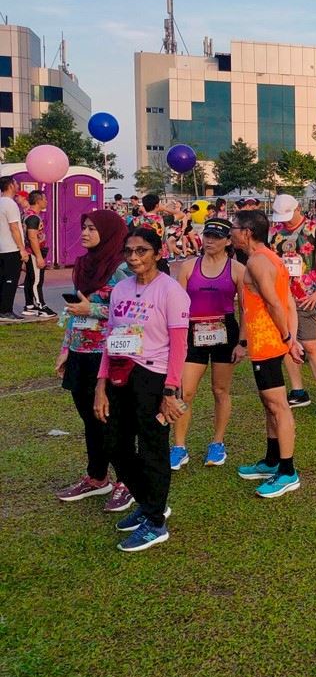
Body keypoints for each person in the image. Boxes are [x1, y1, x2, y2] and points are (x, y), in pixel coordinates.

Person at [93, 226, 190, 551]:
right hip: (121, 375)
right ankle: (151, 504)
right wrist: (100, 386)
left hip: (154, 378)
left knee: (152, 449)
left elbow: (179, 346)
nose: (134, 258)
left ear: (158, 253)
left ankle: (155, 522)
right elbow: (110, 340)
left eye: (142, 251)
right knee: (115, 445)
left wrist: (170, 390)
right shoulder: (120, 289)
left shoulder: (170, 291)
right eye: (129, 251)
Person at [54, 210, 134, 512]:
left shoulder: (121, 269)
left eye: (91, 228)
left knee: (113, 421)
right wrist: (66, 349)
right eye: (83, 227)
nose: (84, 233)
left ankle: (127, 482)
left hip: (108, 355)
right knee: (89, 419)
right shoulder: (85, 266)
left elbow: (129, 312)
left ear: (109, 232)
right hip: (80, 352)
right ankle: (97, 478)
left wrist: (92, 311)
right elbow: (75, 310)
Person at [230, 210, 305, 497]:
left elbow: (277, 304)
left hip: (269, 343)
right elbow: (288, 300)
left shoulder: (259, 261)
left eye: (235, 227)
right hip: (266, 344)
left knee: (278, 406)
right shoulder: (269, 258)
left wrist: (288, 339)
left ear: (247, 232)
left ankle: (287, 471)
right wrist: (291, 338)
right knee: (269, 404)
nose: (231, 232)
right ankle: (272, 461)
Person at [170, 219, 246, 470]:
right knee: (185, 392)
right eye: (207, 235)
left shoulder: (237, 269)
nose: (210, 240)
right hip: (194, 331)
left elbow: (246, 310)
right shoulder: (188, 266)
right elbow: (177, 305)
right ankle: (179, 447)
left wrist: (242, 342)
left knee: (220, 390)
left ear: (227, 241)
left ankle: (217, 442)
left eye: (215, 236)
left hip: (225, 332)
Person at [270, 194, 316, 417]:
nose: (286, 221)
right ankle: (298, 390)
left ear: (298, 208)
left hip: (306, 297)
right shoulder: (276, 234)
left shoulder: (314, 229)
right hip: (282, 297)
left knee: (311, 345)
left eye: (288, 216)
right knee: (286, 344)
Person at [0, 175, 28, 321]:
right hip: (11, 248)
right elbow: (14, 228)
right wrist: (22, 249)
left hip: (2, 248)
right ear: (11, 185)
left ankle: (2, 309)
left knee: (2, 280)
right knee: (11, 280)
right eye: (16, 183)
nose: (18, 186)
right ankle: (6, 310)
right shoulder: (10, 204)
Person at [21, 189, 52, 317]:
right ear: (38, 201)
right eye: (44, 199)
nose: (46, 201)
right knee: (36, 281)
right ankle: (41, 306)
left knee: (29, 279)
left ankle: (29, 305)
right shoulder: (33, 217)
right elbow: (32, 237)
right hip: (34, 253)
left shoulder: (26, 215)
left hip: (30, 252)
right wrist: (39, 257)